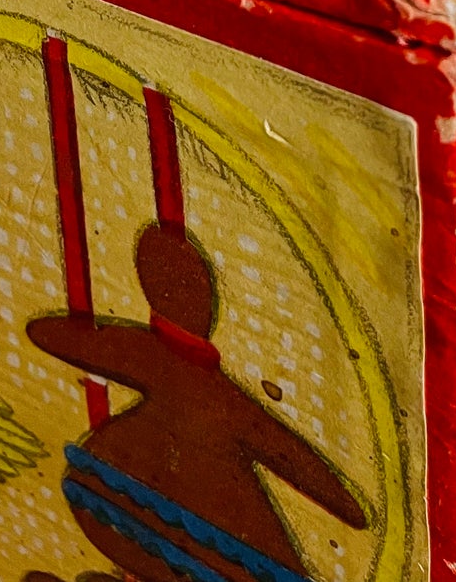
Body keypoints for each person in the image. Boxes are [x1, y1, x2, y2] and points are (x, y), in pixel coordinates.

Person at [26, 222, 366, 582]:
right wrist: (344, 505)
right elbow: (287, 451)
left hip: (133, 490)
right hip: (189, 507)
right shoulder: (207, 385)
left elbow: (287, 452)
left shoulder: (162, 359)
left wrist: (344, 505)